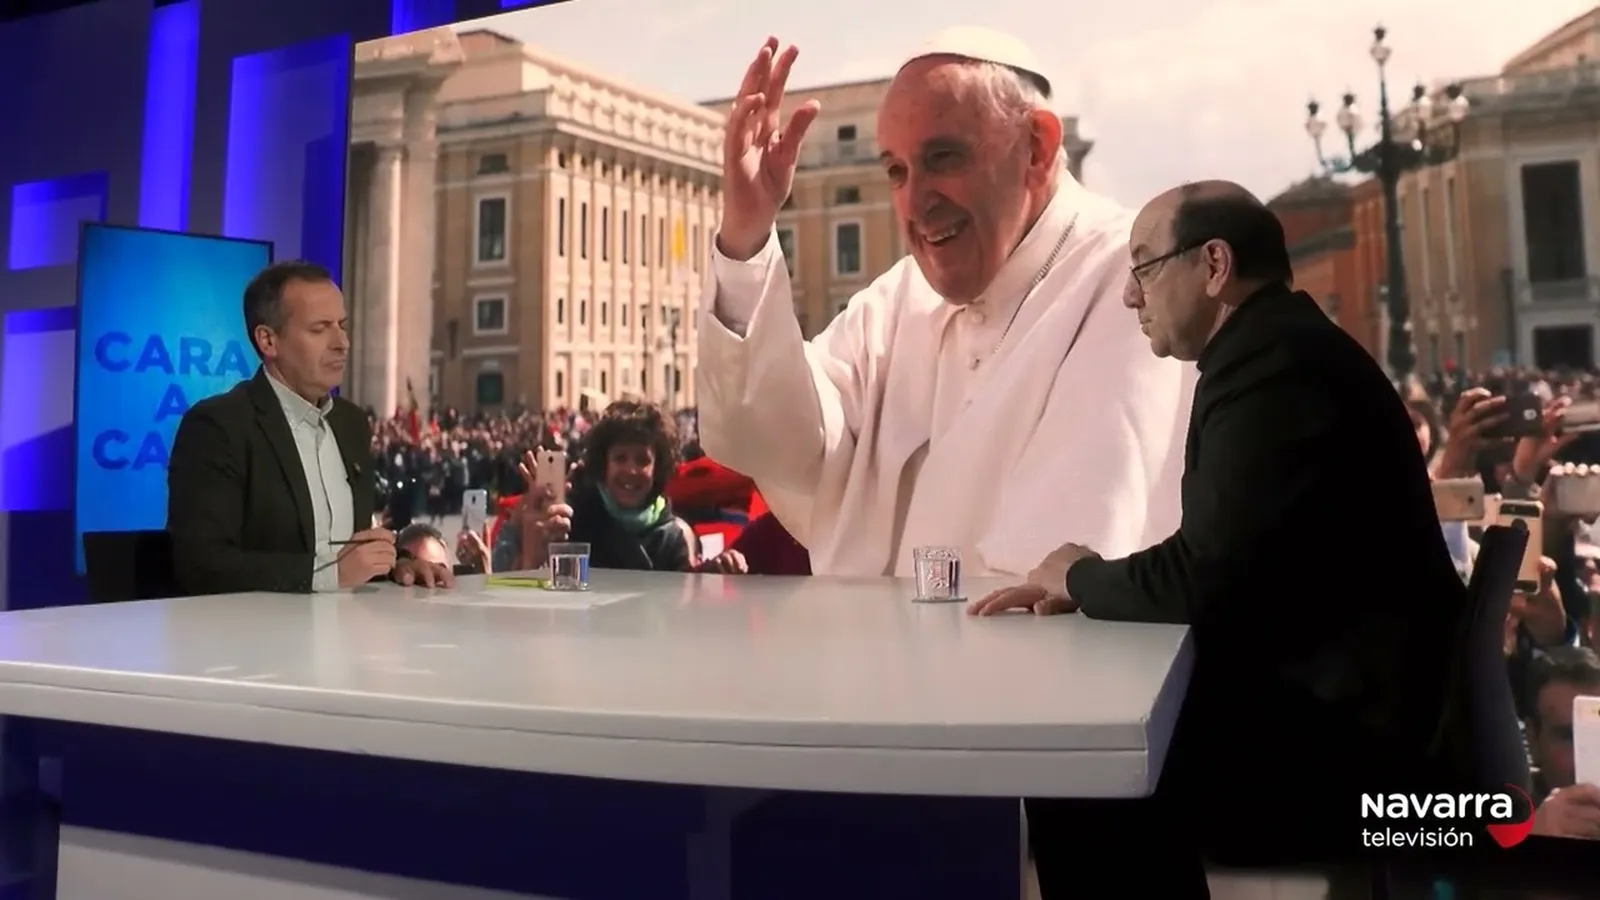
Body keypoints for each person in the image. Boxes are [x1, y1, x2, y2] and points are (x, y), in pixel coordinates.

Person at [970, 182, 1474, 893]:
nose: (1130, 296)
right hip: (1366, 721)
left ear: (1213, 265)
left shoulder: (1275, 369)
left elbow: (1204, 576)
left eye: (1144, 268)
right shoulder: (1276, 350)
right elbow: (1226, 556)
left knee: (1083, 771)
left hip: (1367, 763)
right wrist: (1093, 579)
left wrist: (1078, 577)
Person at [695, 28, 1192, 577]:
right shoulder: (896, 302)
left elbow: (1069, 564)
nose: (916, 202)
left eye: (944, 158)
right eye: (896, 171)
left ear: (1038, 147)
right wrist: (746, 236)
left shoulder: (1133, 279)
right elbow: (771, 438)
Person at [166, 261, 452, 594]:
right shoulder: (218, 427)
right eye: (320, 329)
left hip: (351, 622)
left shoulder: (351, 423)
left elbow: (351, 550)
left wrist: (397, 563)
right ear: (268, 341)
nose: (342, 343)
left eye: (342, 326)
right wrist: (330, 575)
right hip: (257, 626)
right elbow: (201, 565)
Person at [494, 400, 723, 573]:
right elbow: (502, 585)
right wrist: (530, 547)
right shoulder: (568, 518)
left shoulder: (674, 536)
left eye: (642, 460)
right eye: (620, 458)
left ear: (658, 468)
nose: (631, 470)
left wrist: (711, 575)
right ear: (604, 464)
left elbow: (682, 608)